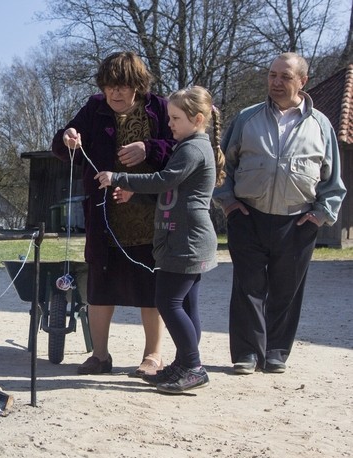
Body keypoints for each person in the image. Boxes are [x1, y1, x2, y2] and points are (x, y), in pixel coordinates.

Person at [213, 52, 346, 374]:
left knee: (286, 291)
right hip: (249, 216)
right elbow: (222, 169)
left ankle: (275, 352)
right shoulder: (247, 118)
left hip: (298, 221)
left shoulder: (321, 125)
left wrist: (319, 216)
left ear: (303, 82)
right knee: (248, 287)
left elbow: (333, 180)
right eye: (272, 75)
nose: (275, 82)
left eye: (284, 77)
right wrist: (229, 203)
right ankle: (245, 354)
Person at [52, 51, 175, 376]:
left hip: (150, 216)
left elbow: (181, 149)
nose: (115, 93)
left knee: (151, 288)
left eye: (122, 86)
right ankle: (100, 356)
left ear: (137, 85)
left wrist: (149, 148)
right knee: (100, 287)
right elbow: (62, 146)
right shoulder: (95, 107)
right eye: (109, 86)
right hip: (105, 218)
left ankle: (153, 356)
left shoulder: (159, 108)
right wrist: (68, 138)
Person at [95, 86, 224, 393]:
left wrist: (119, 177)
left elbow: (164, 181)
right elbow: (172, 194)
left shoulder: (193, 148)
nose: (169, 125)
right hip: (187, 239)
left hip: (186, 241)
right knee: (187, 305)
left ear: (197, 119)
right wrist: (134, 196)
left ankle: (192, 367)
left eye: (176, 119)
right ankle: (184, 364)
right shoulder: (190, 146)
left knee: (168, 301)